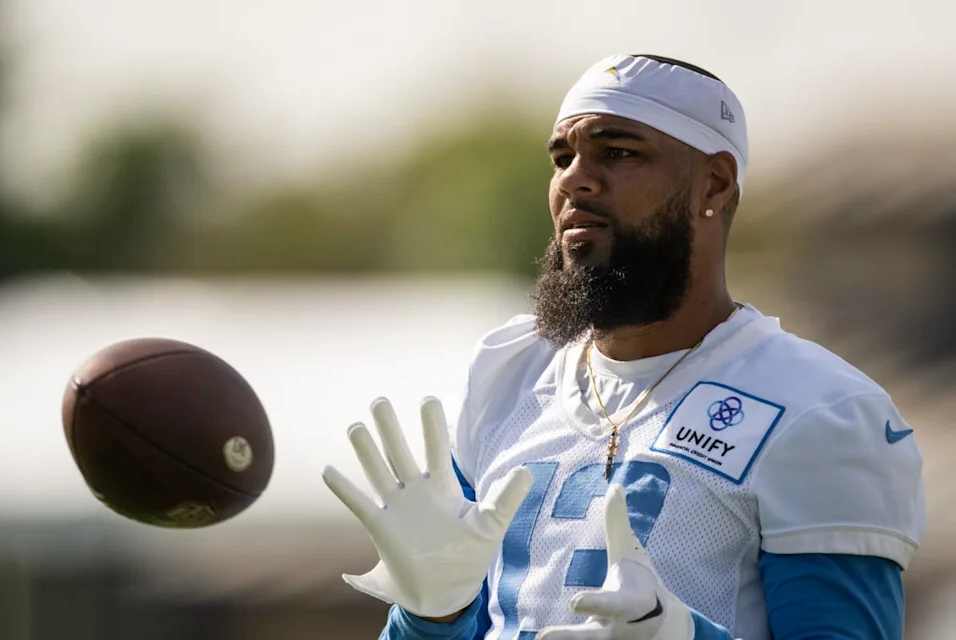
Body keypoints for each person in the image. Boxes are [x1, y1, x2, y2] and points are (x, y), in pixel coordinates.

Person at [322, 54, 926, 640]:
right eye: (563, 157)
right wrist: (430, 617)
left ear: (714, 182)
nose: (575, 179)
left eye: (617, 152)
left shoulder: (820, 408)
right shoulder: (507, 371)